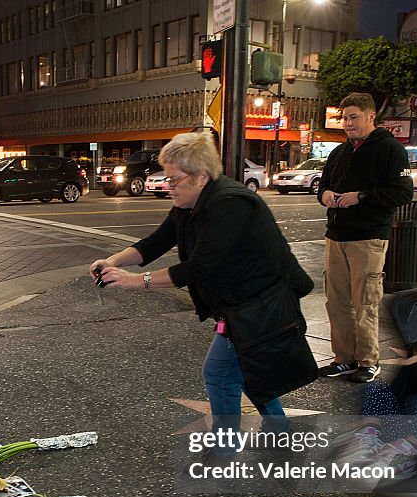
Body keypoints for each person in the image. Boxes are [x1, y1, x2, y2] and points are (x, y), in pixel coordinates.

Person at [90, 132, 317, 451]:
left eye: (174, 179)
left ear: (201, 176)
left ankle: (226, 448)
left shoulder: (230, 204)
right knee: (252, 371)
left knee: (221, 374)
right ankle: (281, 431)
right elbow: (156, 242)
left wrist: (132, 281)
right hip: (241, 306)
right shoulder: (189, 202)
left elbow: (199, 268)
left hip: (261, 304)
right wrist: (112, 261)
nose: (168, 185)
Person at [317, 92, 414, 383]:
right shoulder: (339, 152)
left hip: (368, 237)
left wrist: (361, 197)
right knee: (336, 302)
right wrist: (327, 196)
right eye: (344, 118)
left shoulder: (390, 150)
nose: (347, 123)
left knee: (365, 302)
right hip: (336, 236)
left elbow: (403, 192)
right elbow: (322, 187)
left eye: (353, 117)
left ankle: (368, 361)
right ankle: (343, 358)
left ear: (371, 116)